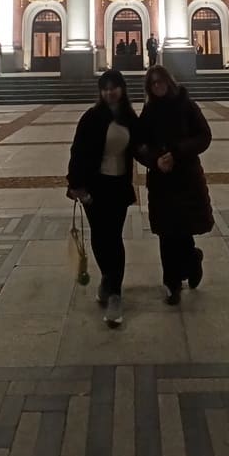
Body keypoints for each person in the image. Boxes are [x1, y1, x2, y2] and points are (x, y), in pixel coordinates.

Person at [66, 69, 139, 327]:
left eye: (114, 87)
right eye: (105, 88)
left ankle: (114, 293)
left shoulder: (130, 117)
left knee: (114, 238)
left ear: (122, 89)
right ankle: (108, 280)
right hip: (95, 187)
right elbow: (77, 152)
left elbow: (141, 146)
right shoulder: (92, 117)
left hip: (118, 187)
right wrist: (76, 185)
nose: (109, 92)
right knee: (99, 236)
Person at [137, 65, 214, 305]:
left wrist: (178, 153)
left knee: (182, 230)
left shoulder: (186, 105)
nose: (158, 86)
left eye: (161, 82)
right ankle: (171, 284)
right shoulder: (148, 111)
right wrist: (155, 160)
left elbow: (204, 136)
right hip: (161, 180)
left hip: (186, 178)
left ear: (169, 82)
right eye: (153, 84)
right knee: (165, 232)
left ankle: (192, 260)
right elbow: (139, 145)